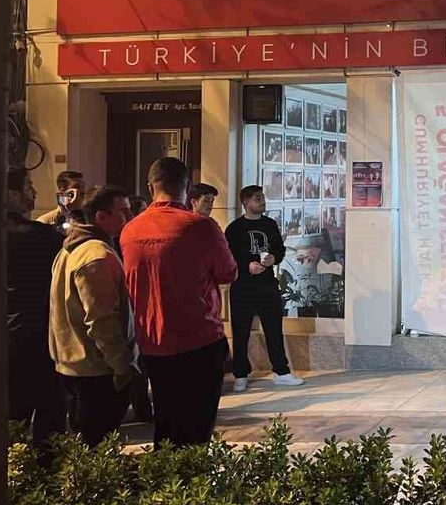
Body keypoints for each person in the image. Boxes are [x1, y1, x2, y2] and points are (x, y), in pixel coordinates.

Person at [121, 157, 238, 447]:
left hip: (152, 341)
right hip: (199, 338)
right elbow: (228, 272)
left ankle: (165, 472)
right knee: (198, 427)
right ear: (186, 188)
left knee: (166, 420)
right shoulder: (201, 226)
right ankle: (192, 475)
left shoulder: (130, 230)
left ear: (151, 187)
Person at [49, 186, 139, 446]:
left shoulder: (71, 249)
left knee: (85, 443)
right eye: (123, 211)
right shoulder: (95, 256)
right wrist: (121, 365)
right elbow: (101, 320)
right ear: (101, 216)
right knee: (97, 446)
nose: (130, 217)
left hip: (74, 363)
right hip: (95, 369)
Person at [4, 167, 69, 453]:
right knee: (48, 413)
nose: (34, 193)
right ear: (11, 194)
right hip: (37, 334)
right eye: (28, 187)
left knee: (12, 417)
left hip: (5, 335)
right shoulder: (35, 236)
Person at [224, 185, 303, 392]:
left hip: (267, 285)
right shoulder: (234, 229)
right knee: (240, 332)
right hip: (243, 287)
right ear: (246, 202)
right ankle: (240, 374)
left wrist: (273, 258)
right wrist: (247, 266)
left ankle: (282, 372)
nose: (262, 202)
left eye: (262, 198)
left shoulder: (270, 224)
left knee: (274, 330)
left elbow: (279, 249)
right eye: (257, 199)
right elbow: (228, 257)